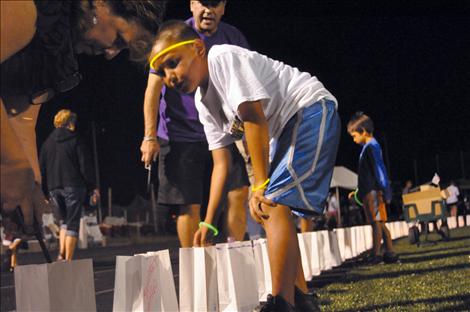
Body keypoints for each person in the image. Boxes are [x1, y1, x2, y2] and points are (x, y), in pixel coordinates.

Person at [148, 20, 340, 311]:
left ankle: (281, 302)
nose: (169, 76)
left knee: (271, 203)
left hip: (309, 108)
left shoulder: (222, 58)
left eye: (173, 63)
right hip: (283, 129)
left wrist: (260, 185)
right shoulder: (203, 103)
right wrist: (208, 221)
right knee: (275, 208)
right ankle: (300, 298)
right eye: (162, 72)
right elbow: (221, 164)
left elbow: (253, 118)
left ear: (198, 48)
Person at [1, 0, 166, 236]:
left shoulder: (49, 51)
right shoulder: (27, 9)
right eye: (118, 37)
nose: (110, 54)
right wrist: (12, 165)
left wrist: (31, 188)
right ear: (100, 4)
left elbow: (21, 121)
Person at [140, 0, 250, 247]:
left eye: (215, 3)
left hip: (226, 128)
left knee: (238, 192)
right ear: (192, 4)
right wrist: (149, 136)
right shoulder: (174, 36)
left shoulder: (233, 38)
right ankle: (197, 264)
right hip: (180, 133)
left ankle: (234, 253)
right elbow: (152, 91)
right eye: (203, 3)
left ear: (223, 7)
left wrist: (247, 136)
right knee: (189, 203)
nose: (208, 10)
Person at [39, 109, 99, 261]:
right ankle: (68, 260)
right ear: (70, 122)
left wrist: (44, 192)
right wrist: (92, 186)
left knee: (63, 222)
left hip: (53, 189)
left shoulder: (47, 144)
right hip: (73, 186)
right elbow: (84, 166)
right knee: (72, 223)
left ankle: (61, 255)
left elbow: (42, 170)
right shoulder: (76, 139)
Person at [347, 112, 399, 265]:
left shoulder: (372, 147)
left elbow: (379, 170)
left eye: (354, 136)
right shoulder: (368, 147)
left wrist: (386, 190)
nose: (354, 139)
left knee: (376, 223)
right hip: (369, 192)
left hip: (373, 193)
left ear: (363, 131)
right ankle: (390, 252)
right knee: (380, 223)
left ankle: (376, 255)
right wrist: (357, 192)